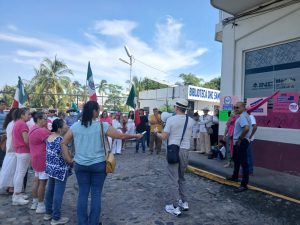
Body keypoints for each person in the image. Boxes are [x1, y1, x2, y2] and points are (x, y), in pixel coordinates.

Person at [61, 101, 143, 225]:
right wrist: (136, 136)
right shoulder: (102, 126)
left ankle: (82, 222)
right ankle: (93, 222)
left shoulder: (75, 127)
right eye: (98, 109)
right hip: (98, 165)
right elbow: (120, 136)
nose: (99, 112)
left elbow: (63, 143)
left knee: (82, 193)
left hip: (80, 165)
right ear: (94, 112)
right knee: (96, 194)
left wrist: (68, 159)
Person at [155, 99, 194, 216]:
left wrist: (157, 132)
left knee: (173, 179)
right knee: (182, 177)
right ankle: (184, 202)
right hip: (185, 150)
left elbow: (164, 137)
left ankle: (175, 206)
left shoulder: (171, 120)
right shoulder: (191, 120)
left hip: (174, 150)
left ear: (177, 108)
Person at [44, 119, 72, 225]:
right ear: (60, 129)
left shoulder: (49, 137)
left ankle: (48, 213)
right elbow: (66, 157)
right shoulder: (61, 140)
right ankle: (56, 218)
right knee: (58, 193)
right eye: (65, 124)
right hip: (60, 170)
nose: (67, 126)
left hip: (51, 169)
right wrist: (71, 161)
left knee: (50, 190)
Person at [226, 102, 252, 192]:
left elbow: (247, 128)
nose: (235, 109)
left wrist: (240, 139)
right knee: (236, 160)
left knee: (243, 163)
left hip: (241, 142)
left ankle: (244, 184)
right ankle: (235, 176)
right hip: (240, 141)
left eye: (237, 107)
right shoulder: (243, 115)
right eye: (234, 107)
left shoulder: (242, 117)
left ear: (243, 107)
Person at [29, 111, 51, 213]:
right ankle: (41, 205)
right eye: (45, 119)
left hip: (34, 157)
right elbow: (51, 142)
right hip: (42, 159)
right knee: (42, 183)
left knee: (36, 180)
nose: (46, 120)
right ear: (39, 119)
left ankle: (35, 202)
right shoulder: (41, 131)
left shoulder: (32, 128)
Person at [12, 108, 31, 205]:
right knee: (21, 174)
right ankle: (17, 196)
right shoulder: (22, 124)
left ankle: (16, 194)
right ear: (22, 115)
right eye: (28, 114)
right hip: (23, 151)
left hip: (19, 151)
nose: (30, 116)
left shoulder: (17, 123)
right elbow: (26, 140)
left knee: (18, 173)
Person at [0, 108, 18, 194]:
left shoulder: (10, 123)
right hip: (13, 149)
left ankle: (10, 186)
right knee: (12, 169)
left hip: (10, 149)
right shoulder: (13, 124)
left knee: (9, 169)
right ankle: (10, 187)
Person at [0, 99, 7, 167]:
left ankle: (2, 162)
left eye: (4, 104)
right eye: (2, 104)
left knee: (3, 149)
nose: (3, 106)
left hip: (4, 134)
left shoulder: (5, 113)